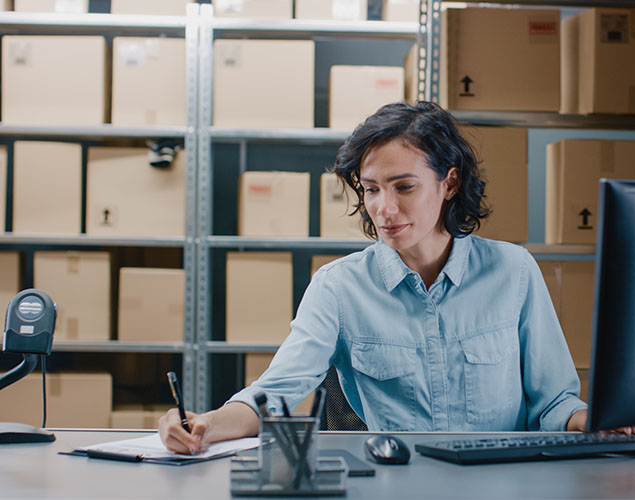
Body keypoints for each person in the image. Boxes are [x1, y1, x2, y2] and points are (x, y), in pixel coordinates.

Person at [160, 101, 607, 454]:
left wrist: (599, 419)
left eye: (404, 187)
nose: (383, 209)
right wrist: (205, 423)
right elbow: (275, 392)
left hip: (499, 484)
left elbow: (554, 403)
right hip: (398, 483)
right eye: (371, 189)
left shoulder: (514, 272)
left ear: (449, 183)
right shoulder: (339, 287)